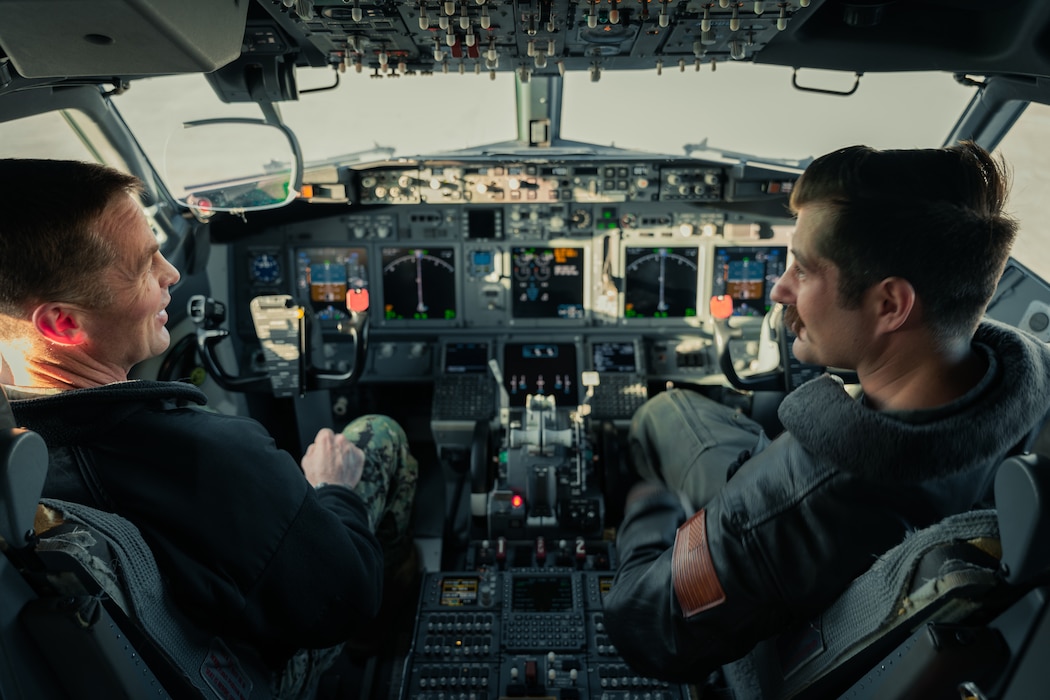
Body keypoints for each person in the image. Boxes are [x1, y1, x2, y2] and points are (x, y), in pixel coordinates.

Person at [602, 141, 1050, 682]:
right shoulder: (1033, 381)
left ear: (890, 305)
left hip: (761, 524)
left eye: (804, 269)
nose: (779, 288)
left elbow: (641, 626)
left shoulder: (782, 509)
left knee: (661, 410)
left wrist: (646, 508)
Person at [0, 158, 418, 694]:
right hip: (238, 673)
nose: (171, 273)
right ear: (63, 323)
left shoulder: (15, 456)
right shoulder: (209, 455)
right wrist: (333, 491)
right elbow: (344, 599)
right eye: (147, 265)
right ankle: (384, 642)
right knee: (377, 435)